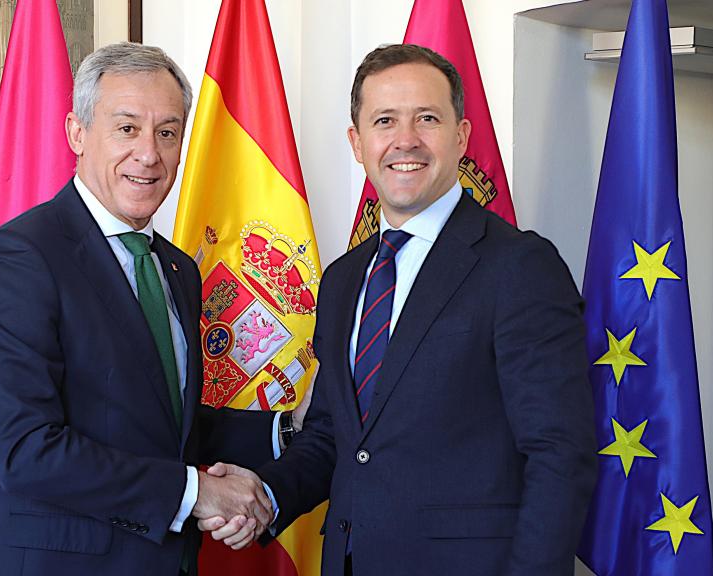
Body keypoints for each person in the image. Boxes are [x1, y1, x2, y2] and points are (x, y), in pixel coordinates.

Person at [200, 43, 597, 575]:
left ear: (461, 137)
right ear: (358, 143)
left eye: (426, 119)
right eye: (384, 121)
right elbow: (333, 438)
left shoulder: (519, 266)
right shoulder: (343, 280)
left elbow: (559, 455)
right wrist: (267, 496)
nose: (404, 140)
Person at [0, 42, 300, 576]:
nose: (149, 153)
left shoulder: (178, 269)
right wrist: (196, 492)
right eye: (126, 128)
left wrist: (288, 427)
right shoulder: (20, 257)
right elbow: (25, 449)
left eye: (167, 132)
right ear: (77, 133)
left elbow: (158, 420)